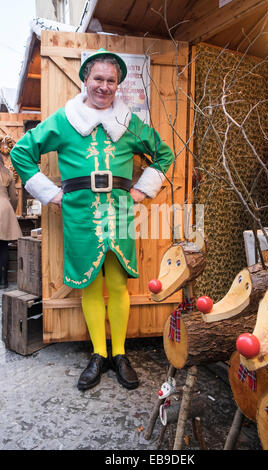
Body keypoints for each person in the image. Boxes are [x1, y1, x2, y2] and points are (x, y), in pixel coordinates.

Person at [10, 48, 174, 391]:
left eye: (111, 80)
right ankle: (98, 354)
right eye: (98, 79)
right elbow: (22, 152)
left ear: (118, 85)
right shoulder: (65, 120)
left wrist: (142, 190)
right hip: (80, 212)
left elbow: (164, 153)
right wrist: (50, 193)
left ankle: (120, 354)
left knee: (117, 285)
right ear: (86, 80)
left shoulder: (129, 124)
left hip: (120, 211)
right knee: (89, 284)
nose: (104, 86)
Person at [0, 154, 22, 289]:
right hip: (4, 208)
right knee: (3, 247)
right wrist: (10, 211)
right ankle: (3, 281)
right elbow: (14, 196)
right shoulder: (7, 172)